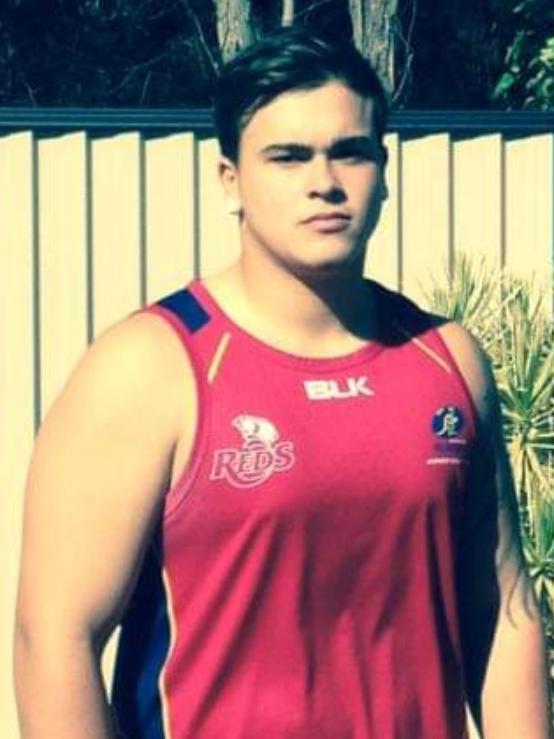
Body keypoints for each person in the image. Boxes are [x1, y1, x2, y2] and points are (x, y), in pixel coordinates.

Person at [14, 26, 552, 739]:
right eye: (288, 156)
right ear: (231, 181)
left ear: (384, 171)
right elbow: (53, 639)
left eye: (350, 153)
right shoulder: (149, 368)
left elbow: (504, 607)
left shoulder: (447, 361)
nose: (323, 181)